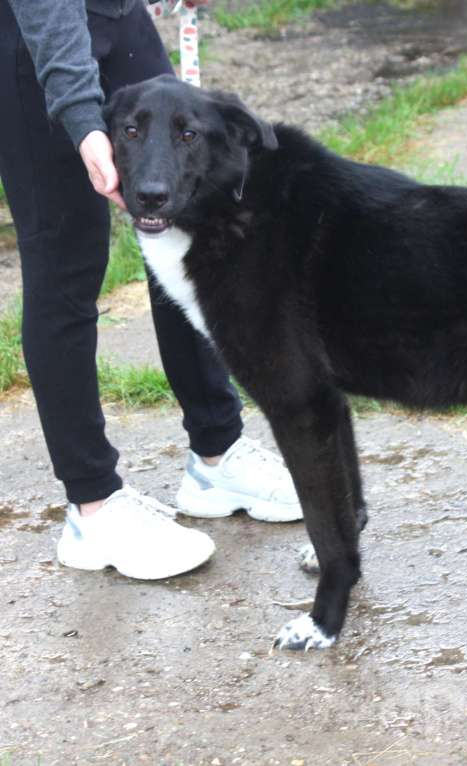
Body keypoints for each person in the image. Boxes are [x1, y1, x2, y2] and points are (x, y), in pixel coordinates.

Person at [0, 0, 303, 581]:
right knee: (65, 266)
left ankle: (215, 452)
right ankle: (92, 507)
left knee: (187, 224)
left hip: (114, 14)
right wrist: (83, 121)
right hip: (33, 33)